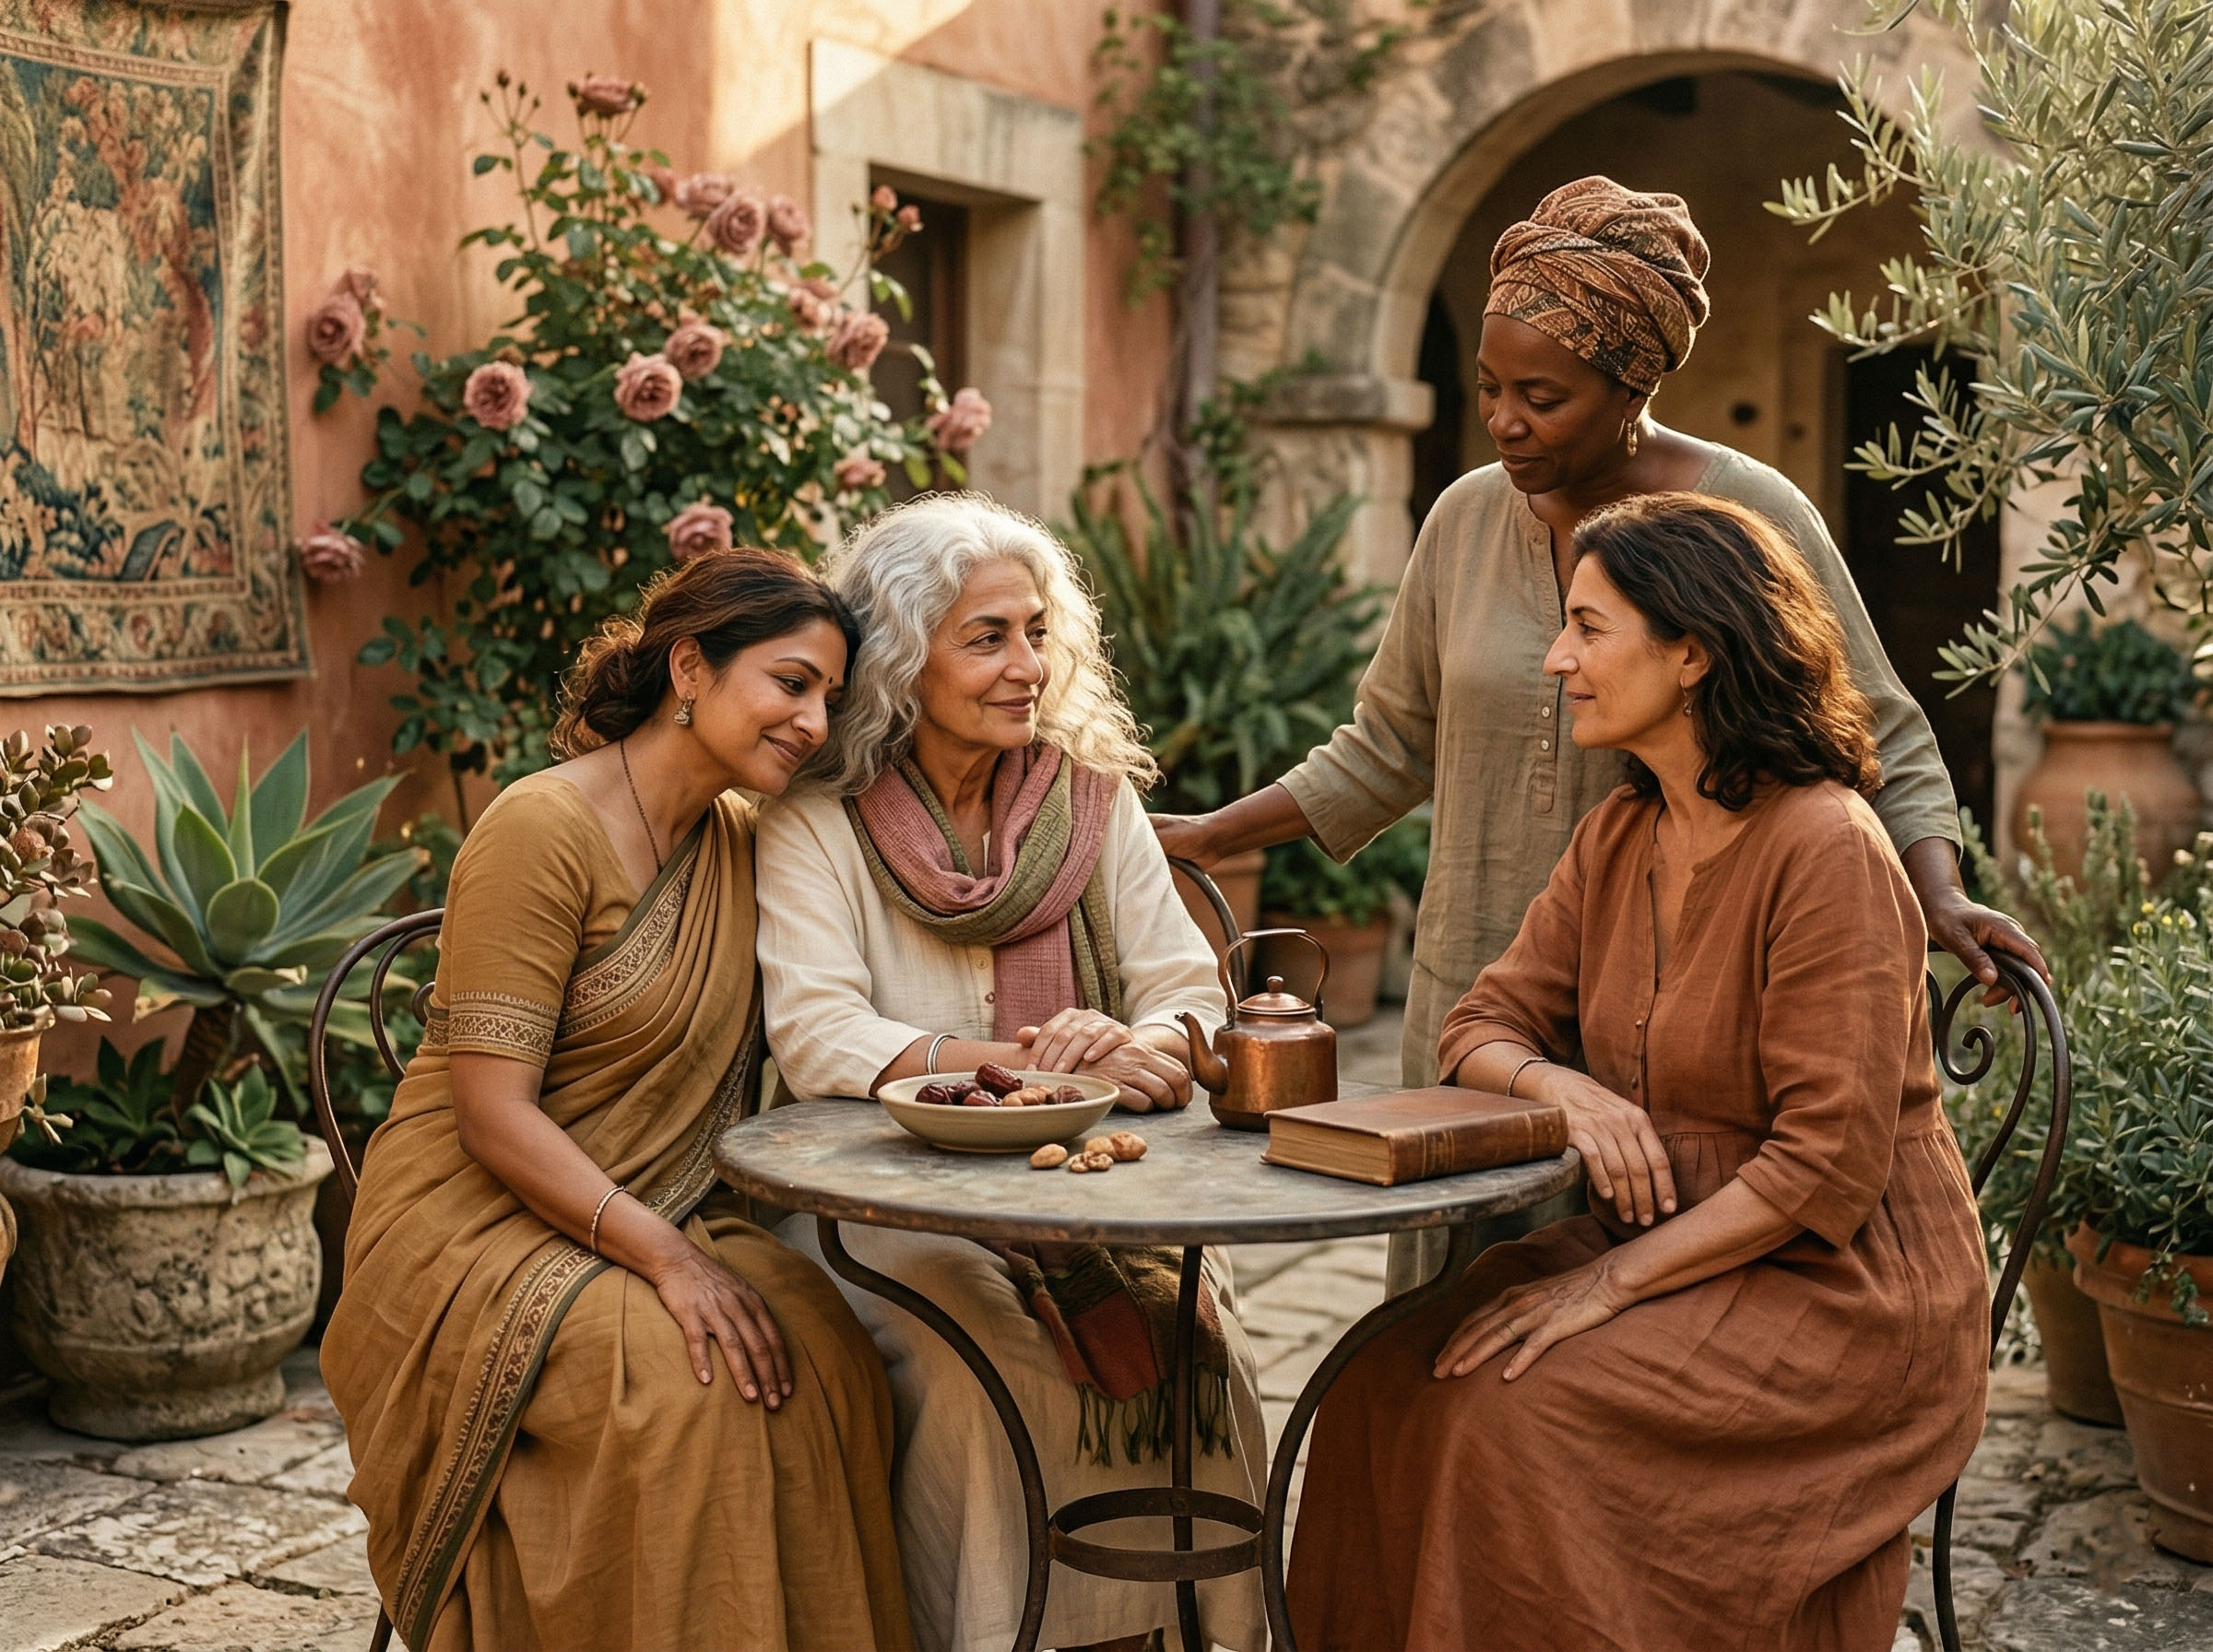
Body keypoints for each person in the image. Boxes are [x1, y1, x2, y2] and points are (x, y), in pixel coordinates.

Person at [1150, 174, 2043, 1290]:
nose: (1506, 420)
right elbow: (1386, 745)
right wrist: (1207, 834)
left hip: (1669, 1014)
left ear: (1633, 389)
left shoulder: (1747, 515)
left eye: (1543, 395)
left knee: (1612, 1293)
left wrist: (1939, 889)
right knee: (1447, 1306)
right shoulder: (1464, 519)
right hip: (1481, 988)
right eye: (1490, 388)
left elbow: (1880, 728)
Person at [1285, 493, 1991, 1650]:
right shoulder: (1622, 833)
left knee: (1508, 1422)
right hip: (1673, 1246)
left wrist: (1606, 1286)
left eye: (1588, 627)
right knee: (1378, 1378)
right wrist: (1563, 1087)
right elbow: (1481, 1024)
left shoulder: (1827, 846)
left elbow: (1822, 1169)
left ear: (1692, 650)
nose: (1556, 659)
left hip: (1842, 1292)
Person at [323, 549, 912, 1652]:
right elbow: (491, 1114)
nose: (814, 722)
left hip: (653, 1201)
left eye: (830, 698)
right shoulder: (542, 827)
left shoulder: (743, 840)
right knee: (686, 1395)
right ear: (689, 667)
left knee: (828, 1355)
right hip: (475, 1216)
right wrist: (670, 1258)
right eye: (791, 683)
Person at [754, 494, 1267, 1652]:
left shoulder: (1092, 801)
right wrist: (1030, 1071)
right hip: (876, 1202)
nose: (1026, 665)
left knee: (1199, 1350)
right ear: (901, 659)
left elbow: (1191, 996)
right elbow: (819, 1034)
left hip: (1094, 1194)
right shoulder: (818, 819)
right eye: (986, 638)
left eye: (1036, 632)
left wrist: (1142, 1050)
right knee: (980, 1352)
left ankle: (1191, 1634)